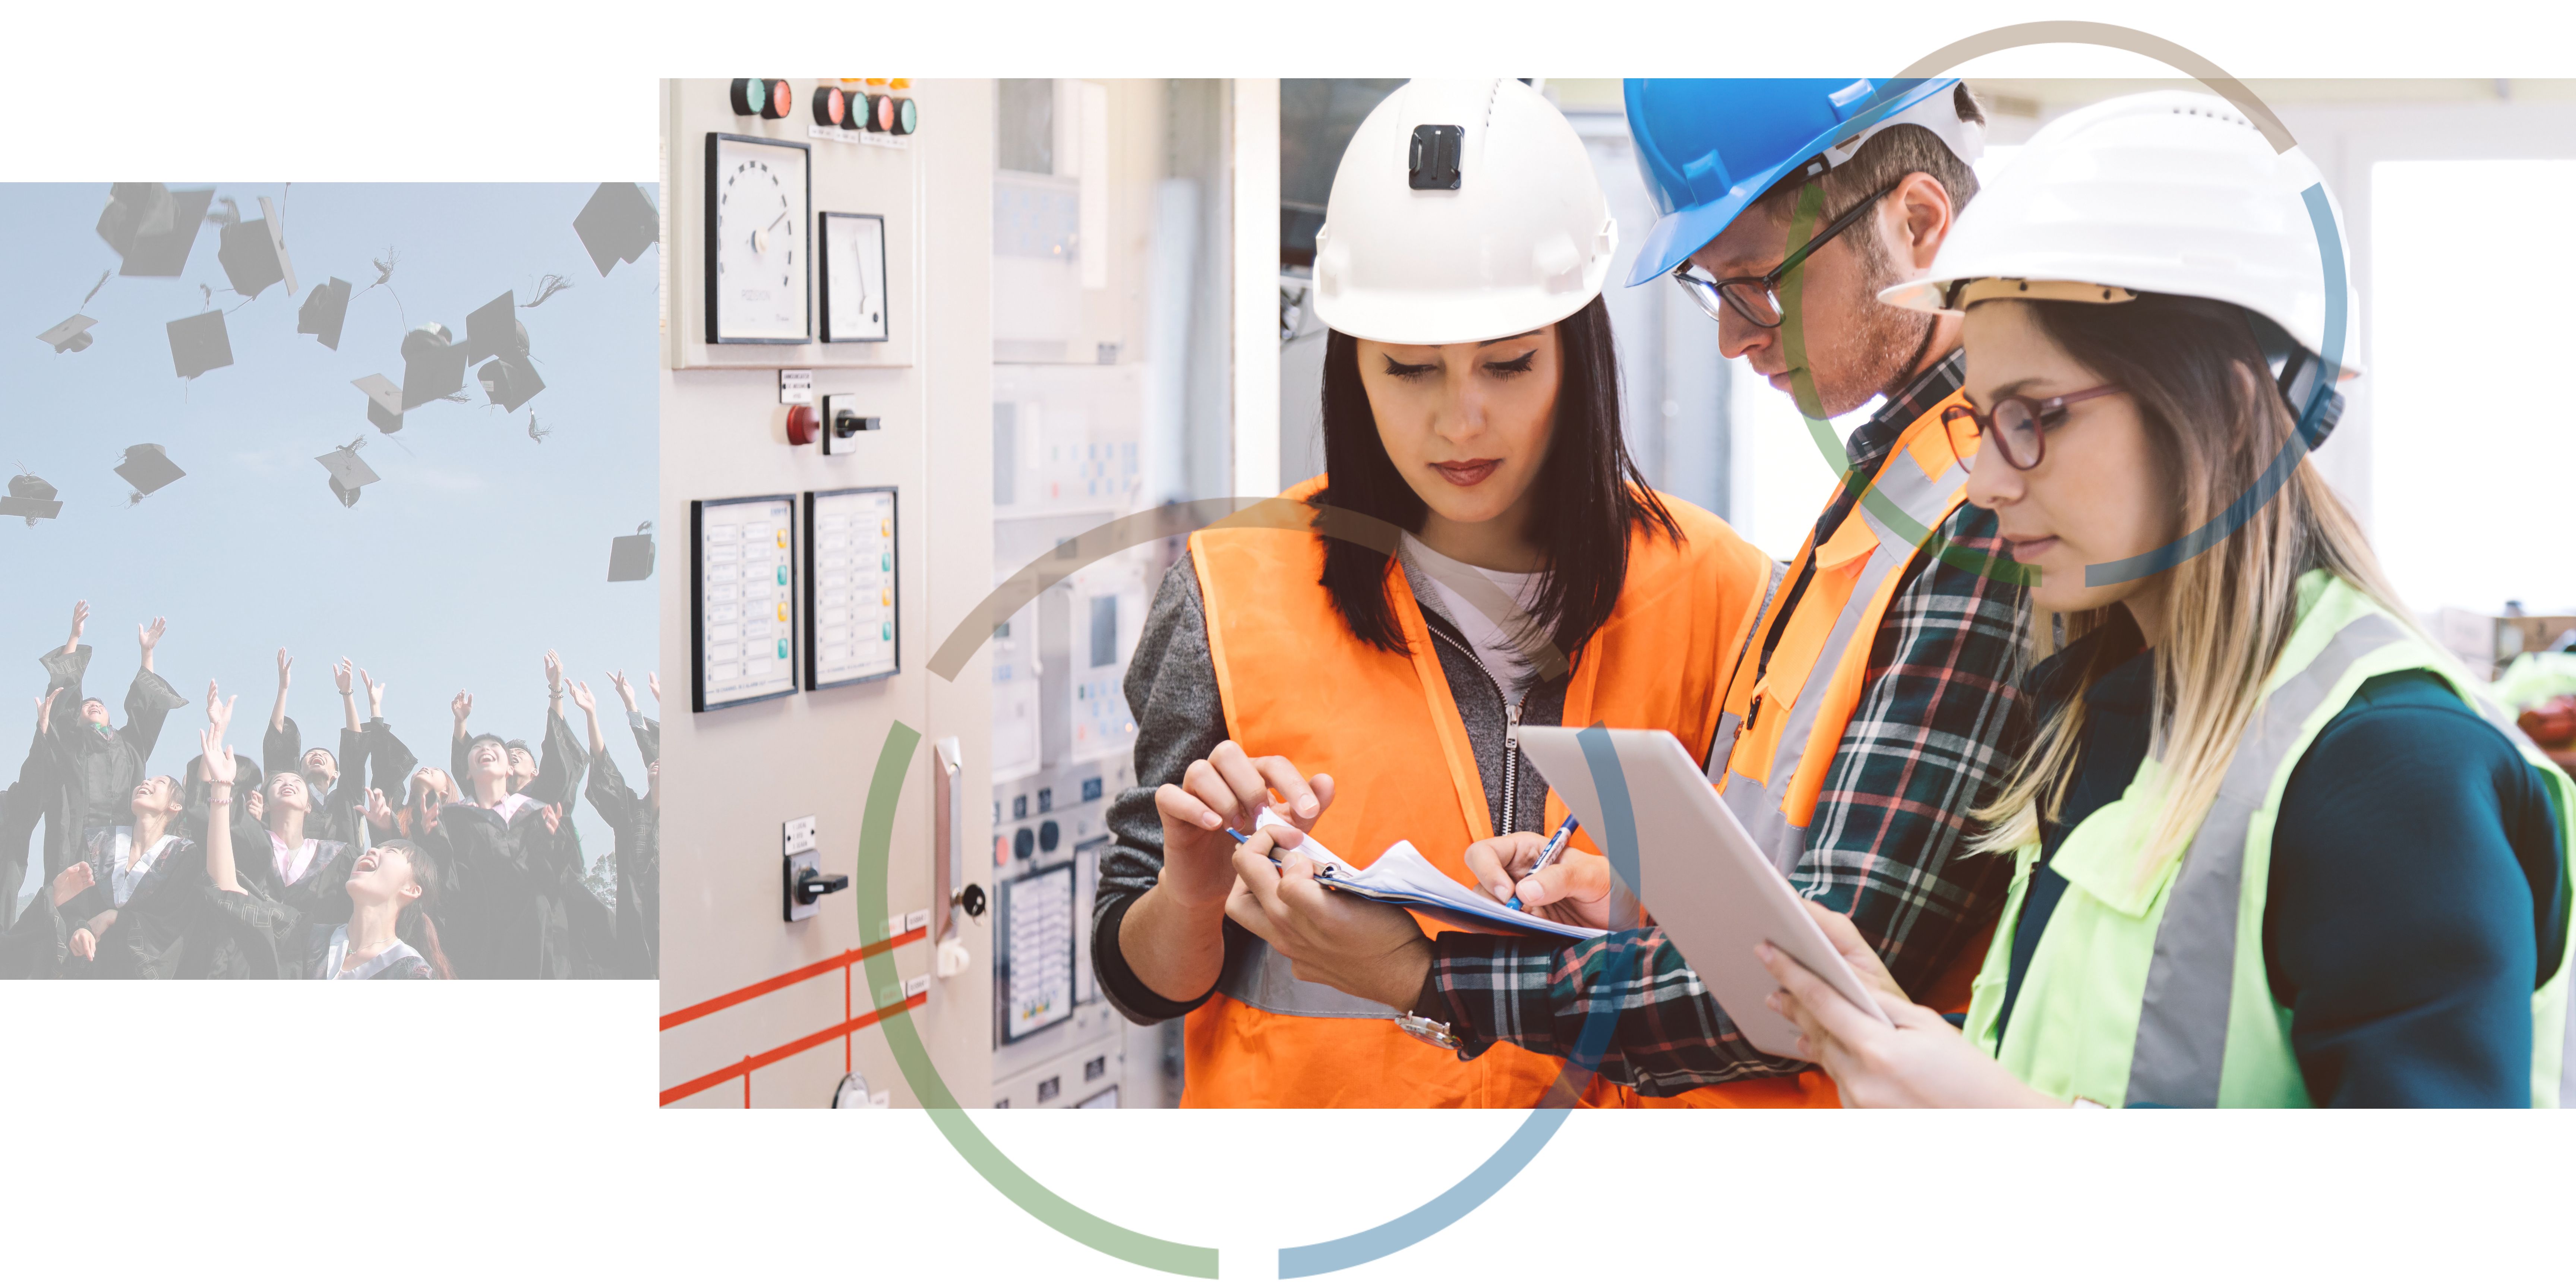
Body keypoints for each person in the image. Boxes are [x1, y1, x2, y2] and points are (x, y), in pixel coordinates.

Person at [1224, 78, 2035, 1107]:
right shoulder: (1890, 491)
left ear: (1919, 225)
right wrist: (1645, 903)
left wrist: (1428, 977)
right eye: (1713, 291)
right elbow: (1804, 894)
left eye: (1756, 285)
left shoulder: (1984, 515)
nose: (1735, 338)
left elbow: (1825, 990)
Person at [1762, 91, 2566, 1106]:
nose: (1983, 484)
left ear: (2217, 406)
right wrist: (1917, 1044)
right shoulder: (2109, 715)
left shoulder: (2391, 770)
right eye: (1981, 422)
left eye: (2036, 417)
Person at [1088, 78, 1777, 1107]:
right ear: (1351, 367)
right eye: (1410, 370)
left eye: (1507, 366)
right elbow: (1143, 980)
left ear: (1578, 352)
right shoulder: (1233, 586)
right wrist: (1191, 888)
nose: (1461, 423)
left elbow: (1775, 963)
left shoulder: (1723, 592)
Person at [194, 701, 455, 980]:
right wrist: (221, 787)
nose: (374, 853)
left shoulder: (411, 972)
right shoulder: (308, 938)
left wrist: (357, 699)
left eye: (390, 850)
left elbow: (356, 764)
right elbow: (230, 891)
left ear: (414, 890)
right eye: (378, 848)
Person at [35, 602, 187, 887]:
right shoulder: (71, 745)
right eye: (86, 706)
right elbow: (62, 699)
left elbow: (144, 708)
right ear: (77, 719)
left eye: (98, 705)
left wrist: (147, 654)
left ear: (110, 717)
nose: (92, 706)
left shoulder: (129, 745)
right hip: (73, 849)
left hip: (123, 855)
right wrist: (74, 637)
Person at [54, 770, 198, 978]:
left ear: (175, 807)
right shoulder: (99, 842)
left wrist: (117, 918)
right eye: (147, 780)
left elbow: (172, 924)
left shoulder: (183, 856)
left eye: (160, 782)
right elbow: (74, 904)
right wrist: (80, 928)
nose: (147, 782)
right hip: (91, 970)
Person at [577, 672, 659, 979]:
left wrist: (633, 705)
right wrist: (592, 714)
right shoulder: (630, 814)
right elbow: (604, 764)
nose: (655, 762)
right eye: (653, 762)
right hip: (638, 937)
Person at [260, 650, 367, 843]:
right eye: (311, 755)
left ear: (336, 774)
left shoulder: (346, 799)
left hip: (342, 870)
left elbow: (355, 749)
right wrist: (283, 688)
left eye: (325, 755)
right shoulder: (290, 793)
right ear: (299, 771)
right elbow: (276, 746)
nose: (317, 755)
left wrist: (347, 694)